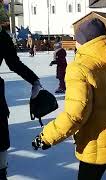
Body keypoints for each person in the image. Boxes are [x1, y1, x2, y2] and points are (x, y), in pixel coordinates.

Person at [31, 18, 106, 180]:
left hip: (97, 142)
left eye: (77, 39)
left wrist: (46, 137)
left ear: (83, 41)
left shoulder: (80, 67)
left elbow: (75, 115)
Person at [0, 24, 42, 180]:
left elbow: (13, 63)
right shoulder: (2, 36)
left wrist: (34, 80)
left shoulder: (2, 36)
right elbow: (14, 63)